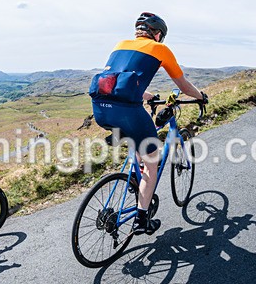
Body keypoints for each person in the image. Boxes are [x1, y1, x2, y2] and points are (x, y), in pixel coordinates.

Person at [89, 12, 207, 235]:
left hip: (101, 110)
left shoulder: (121, 45)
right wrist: (200, 96)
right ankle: (142, 220)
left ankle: (136, 180)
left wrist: (148, 96)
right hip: (127, 112)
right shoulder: (160, 50)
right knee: (152, 163)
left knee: (138, 143)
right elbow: (183, 86)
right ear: (158, 34)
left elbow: (118, 82)